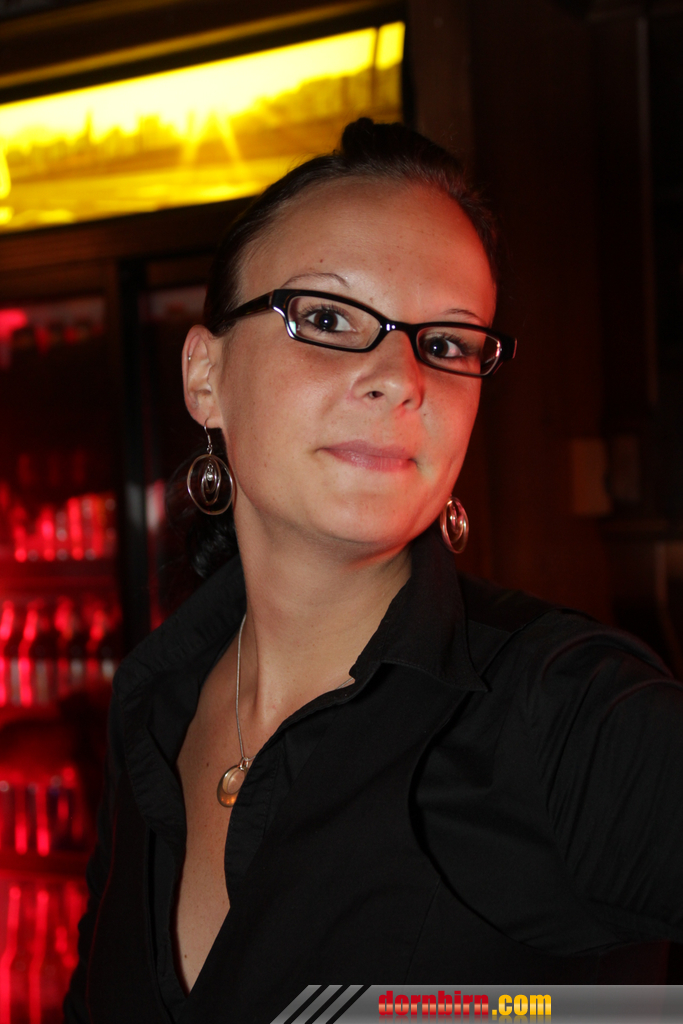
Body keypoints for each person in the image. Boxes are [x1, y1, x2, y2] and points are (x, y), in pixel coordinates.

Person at [64, 119, 683, 1024]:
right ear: (205, 376)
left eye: (448, 343)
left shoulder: (570, 711)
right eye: (326, 319)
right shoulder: (154, 702)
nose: (401, 376)